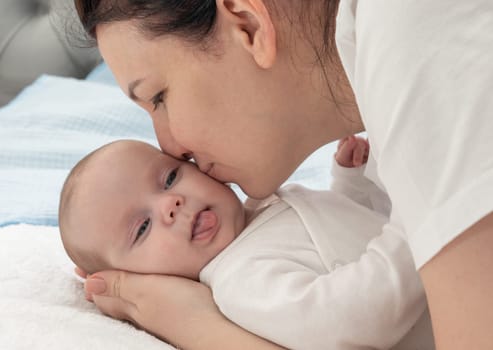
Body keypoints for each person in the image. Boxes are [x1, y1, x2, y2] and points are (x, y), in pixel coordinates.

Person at [71, 1, 493, 349]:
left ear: (249, 26)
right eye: (142, 227)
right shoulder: (240, 279)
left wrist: (192, 325)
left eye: (158, 97)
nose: (171, 147)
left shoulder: (414, 43)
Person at [59, 138, 433, 350]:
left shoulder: (264, 204)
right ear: (134, 277)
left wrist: (353, 188)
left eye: (170, 177)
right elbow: (355, 319)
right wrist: (416, 225)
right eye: (141, 228)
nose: (169, 204)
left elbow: (343, 244)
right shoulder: (241, 283)